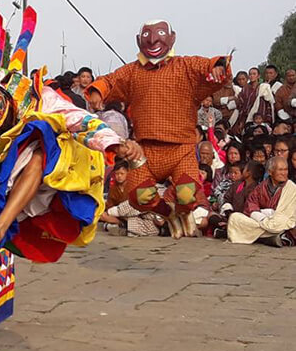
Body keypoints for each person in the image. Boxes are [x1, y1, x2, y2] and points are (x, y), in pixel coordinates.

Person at [0, 8, 143, 263]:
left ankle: (1, 226)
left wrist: (115, 143)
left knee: (42, 140)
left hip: (25, 172)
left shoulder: (35, 97)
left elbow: (80, 120)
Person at [87, 19, 228, 239]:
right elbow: (110, 81)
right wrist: (98, 92)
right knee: (141, 196)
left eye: (160, 33)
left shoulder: (185, 66)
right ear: (138, 40)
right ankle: (168, 215)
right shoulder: (132, 72)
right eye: (147, 35)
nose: (153, 39)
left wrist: (218, 66)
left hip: (180, 148)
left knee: (186, 193)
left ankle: (183, 213)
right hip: (144, 151)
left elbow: (207, 67)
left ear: (172, 38)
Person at [227, 156, 296, 246]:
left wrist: (273, 215)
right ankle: (272, 237)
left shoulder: (291, 188)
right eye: (280, 170)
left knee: (284, 223)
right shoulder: (261, 187)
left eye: (285, 170)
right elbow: (251, 204)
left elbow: (286, 215)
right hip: (264, 220)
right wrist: (262, 216)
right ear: (270, 172)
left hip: (281, 221)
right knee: (235, 218)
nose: (284, 173)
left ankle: (266, 236)